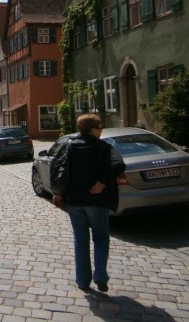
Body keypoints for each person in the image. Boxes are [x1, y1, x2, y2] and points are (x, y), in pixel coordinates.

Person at [52, 114, 122, 293]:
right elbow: (118, 165)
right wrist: (102, 183)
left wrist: (58, 193)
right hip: (96, 202)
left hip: (74, 202)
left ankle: (83, 281)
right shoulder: (104, 147)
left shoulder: (69, 146)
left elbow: (57, 168)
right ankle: (100, 276)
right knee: (100, 238)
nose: (101, 130)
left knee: (81, 241)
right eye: (100, 127)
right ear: (93, 129)